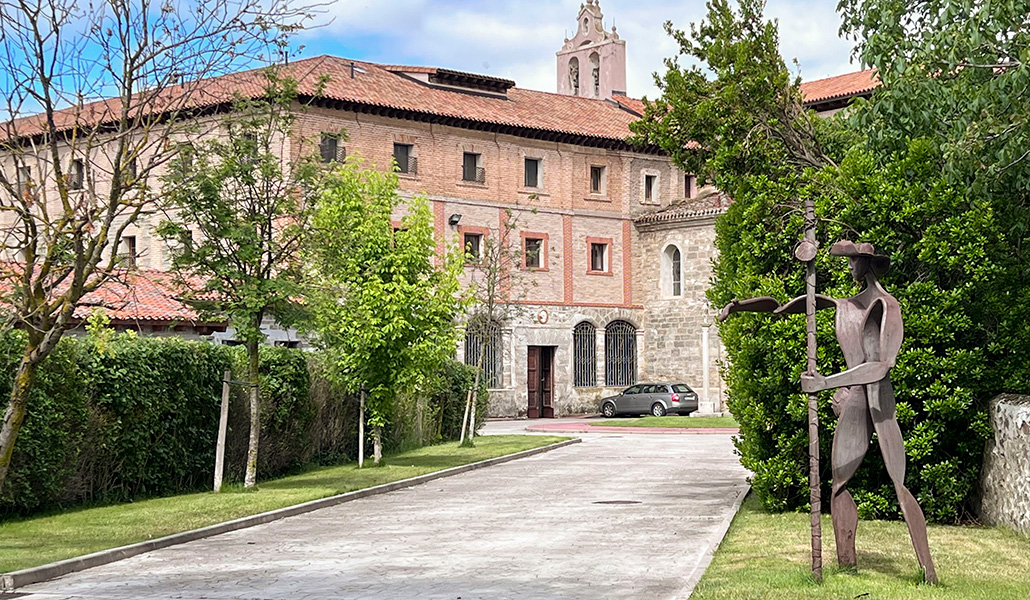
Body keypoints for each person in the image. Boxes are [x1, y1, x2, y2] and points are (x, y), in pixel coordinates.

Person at [719, 240, 937, 584]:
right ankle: (846, 563)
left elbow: (881, 366)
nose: (849, 268)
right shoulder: (844, 305)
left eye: (852, 262)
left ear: (866, 264)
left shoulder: (886, 306)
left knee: (899, 482)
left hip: (879, 402)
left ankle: (929, 571)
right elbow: (785, 308)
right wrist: (740, 306)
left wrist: (826, 383)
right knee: (838, 485)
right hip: (854, 402)